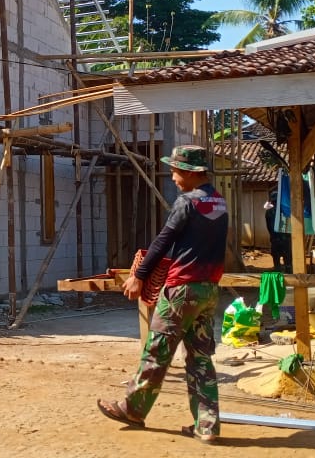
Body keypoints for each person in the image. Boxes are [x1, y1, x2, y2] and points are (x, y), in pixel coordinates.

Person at [97, 145, 228, 444]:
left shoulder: (187, 202)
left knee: (157, 351)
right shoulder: (219, 203)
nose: (172, 176)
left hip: (182, 289)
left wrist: (138, 276)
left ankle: (132, 409)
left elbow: (163, 240)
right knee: (201, 358)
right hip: (208, 290)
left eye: (175, 170)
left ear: (192, 173)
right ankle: (207, 426)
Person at [264, 188, 292, 272]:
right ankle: (289, 276)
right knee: (288, 262)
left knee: (276, 262)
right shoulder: (286, 211)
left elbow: (268, 227)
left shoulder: (268, 212)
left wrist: (273, 235)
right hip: (285, 239)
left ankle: (278, 279)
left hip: (275, 240)